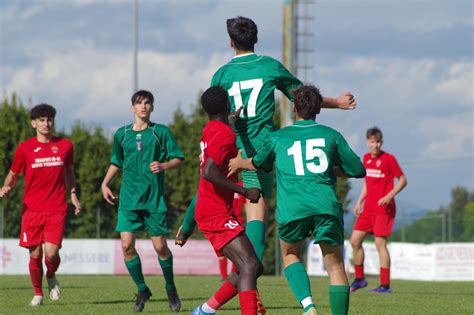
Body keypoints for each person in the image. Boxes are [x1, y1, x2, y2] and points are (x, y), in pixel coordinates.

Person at [211, 16, 357, 264]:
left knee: (212, 203)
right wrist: (338, 103)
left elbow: (214, 115)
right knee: (256, 211)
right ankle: (250, 279)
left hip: (228, 147)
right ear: (255, 39)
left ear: (230, 42)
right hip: (261, 148)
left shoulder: (222, 74)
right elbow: (303, 97)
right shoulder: (269, 66)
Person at [228, 86, 366, 315]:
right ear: (318, 109)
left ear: (294, 108)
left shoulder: (278, 137)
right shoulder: (331, 135)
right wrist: (328, 170)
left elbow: (259, 162)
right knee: (335, 266)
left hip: (293, 208)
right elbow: (358, 169)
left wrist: (240, 163)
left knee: (290, 255)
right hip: (325, 206)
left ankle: (308, 306)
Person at [101, 90, 184, 312]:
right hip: (128, 201)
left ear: (152, 108)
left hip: (153, 200)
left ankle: (170, 288)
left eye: (148, 103)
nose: (144, 106)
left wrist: (164, 165)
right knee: (127, 245)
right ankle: (142, 289)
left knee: (160, 247)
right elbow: (116, 161)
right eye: (139, 103)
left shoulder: (160, 132)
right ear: (132, 108)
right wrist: (105, 183)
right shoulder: (122, 134)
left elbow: (178, 158)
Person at [0, 103, 82, 306]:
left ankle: (51, 275)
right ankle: (38, 294)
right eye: (42, 120)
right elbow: (14, 173)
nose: (47, 123)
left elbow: (69, 172)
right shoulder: (24, 149)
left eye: (50, 120)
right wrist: (5, 187)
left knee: (51, 253)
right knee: (35, 253)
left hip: (56, 208)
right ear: (33, 123)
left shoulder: (65, 145)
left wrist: (73, 194)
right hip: (32, 210)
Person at [191, 86, 263, 315]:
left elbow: (221, 142)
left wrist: (231, 121)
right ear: (226, 105)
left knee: (253, 267)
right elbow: (209, 172)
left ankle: (205, 310)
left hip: (214, 209)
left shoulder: (213, 129)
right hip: (214, 211)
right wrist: (244, 192)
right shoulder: (224, 134)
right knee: (249, 265)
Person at [349, 127, 407, 293]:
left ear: (381, 143)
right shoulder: (366, 159)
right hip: (368, 209)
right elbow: (368, 183)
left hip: (384, 210)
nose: (375, 145)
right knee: (354, 241)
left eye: (378, 142)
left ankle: (384, 285)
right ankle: (360, 279)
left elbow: (403, 180)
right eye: (372, 142)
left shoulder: (389, 159)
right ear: (367, 142)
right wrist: (359, 201)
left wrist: (389, 195)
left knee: (380, 244)